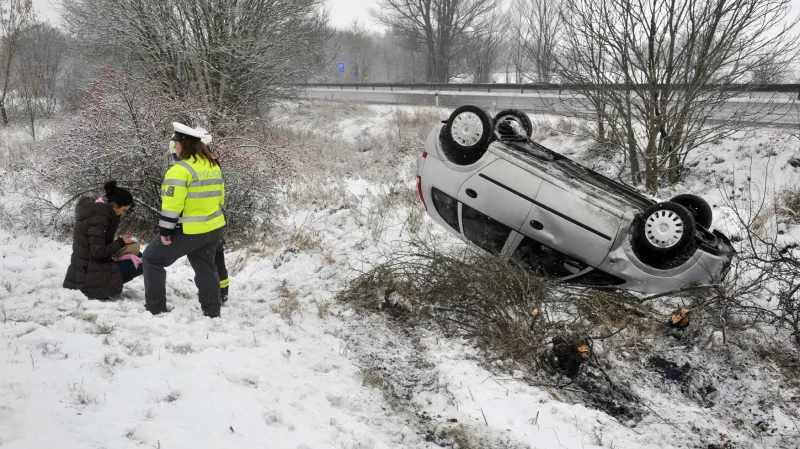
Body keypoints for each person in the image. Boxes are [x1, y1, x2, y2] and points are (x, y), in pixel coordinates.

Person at [143, 122, 226, 317]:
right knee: (205, 266)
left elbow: (172, 206)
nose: (173, 147)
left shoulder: (180, 170)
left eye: (175, 143)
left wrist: (165, 231)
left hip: (189, 230)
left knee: (151, 259)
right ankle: (212, 310)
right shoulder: (212, 165)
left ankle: (155, 309)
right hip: (213, 227)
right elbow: (220, 197)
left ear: (183, 145)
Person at [168, 127, 230, 305]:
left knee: (212, 261)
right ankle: (221, 293)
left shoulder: (201, 164)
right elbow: (220, 195)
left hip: (203, 222)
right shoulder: (211, 163)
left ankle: (220, 293)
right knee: (216, 259)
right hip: (214, 219)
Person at [63, 181, 142, 299]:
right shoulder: (100, 219)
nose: (123, 213)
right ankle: (99, 289)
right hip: (87, 276)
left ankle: (105, 283)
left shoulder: (96, 212)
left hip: (82, 271)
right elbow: (98, 253)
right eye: (124, 210)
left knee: (138, 256)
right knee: (142, 262)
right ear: (115, 204)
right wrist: (120, 243)